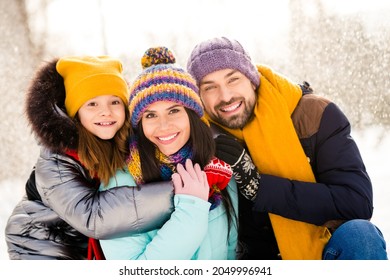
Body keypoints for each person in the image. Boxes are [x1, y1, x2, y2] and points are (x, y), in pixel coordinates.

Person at [186, 36, 388, 260]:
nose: (225, 96)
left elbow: (356, 202)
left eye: (233, 80)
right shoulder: (199, 139)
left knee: (360, 235)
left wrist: (259, 187)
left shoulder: (316, 115)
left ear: (253, 79)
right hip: (254, 261)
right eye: (210, 87)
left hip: (325, 252)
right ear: (200, 97)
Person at [5, 55, 174, 260]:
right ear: (75, 112)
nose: (106, 112)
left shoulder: (123, 142)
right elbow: (93, 216)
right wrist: (182, 193)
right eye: (92, 104)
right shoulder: (56, 161)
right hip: (40, 244)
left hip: (84, 246)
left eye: (114, 101)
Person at [99, 47, 238, 260]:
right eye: (151, 115)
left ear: (192, 116)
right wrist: (191, 211)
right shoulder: (119, 185)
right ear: (139, 125)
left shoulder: (218, 172)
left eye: (174, 110)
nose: (164, 126)